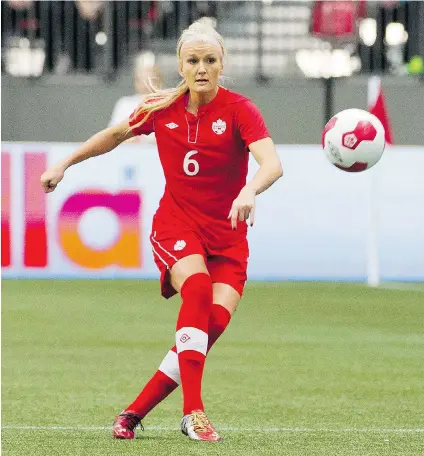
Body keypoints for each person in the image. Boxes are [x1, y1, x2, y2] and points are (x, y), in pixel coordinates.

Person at [40, 21, 283, 442]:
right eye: (193, 61)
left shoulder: (240, 110)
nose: (202, 68)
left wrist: (249, 189)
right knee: (199, 289)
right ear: (181, 66)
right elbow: (113, 136)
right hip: (177, 226)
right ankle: (194, 413)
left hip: (228, 238)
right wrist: (64, 164)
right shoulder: (160, 109)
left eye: (210, 60)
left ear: (222, 64)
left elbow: (272, 164)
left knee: (206, 331)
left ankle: (132, 414)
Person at [108, 51, 162, 144]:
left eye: (150, 74)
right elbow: (112, 136)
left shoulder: (168, 103)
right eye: (142, 78)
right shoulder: (124, 104)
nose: (146, 82)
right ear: (136, 79)